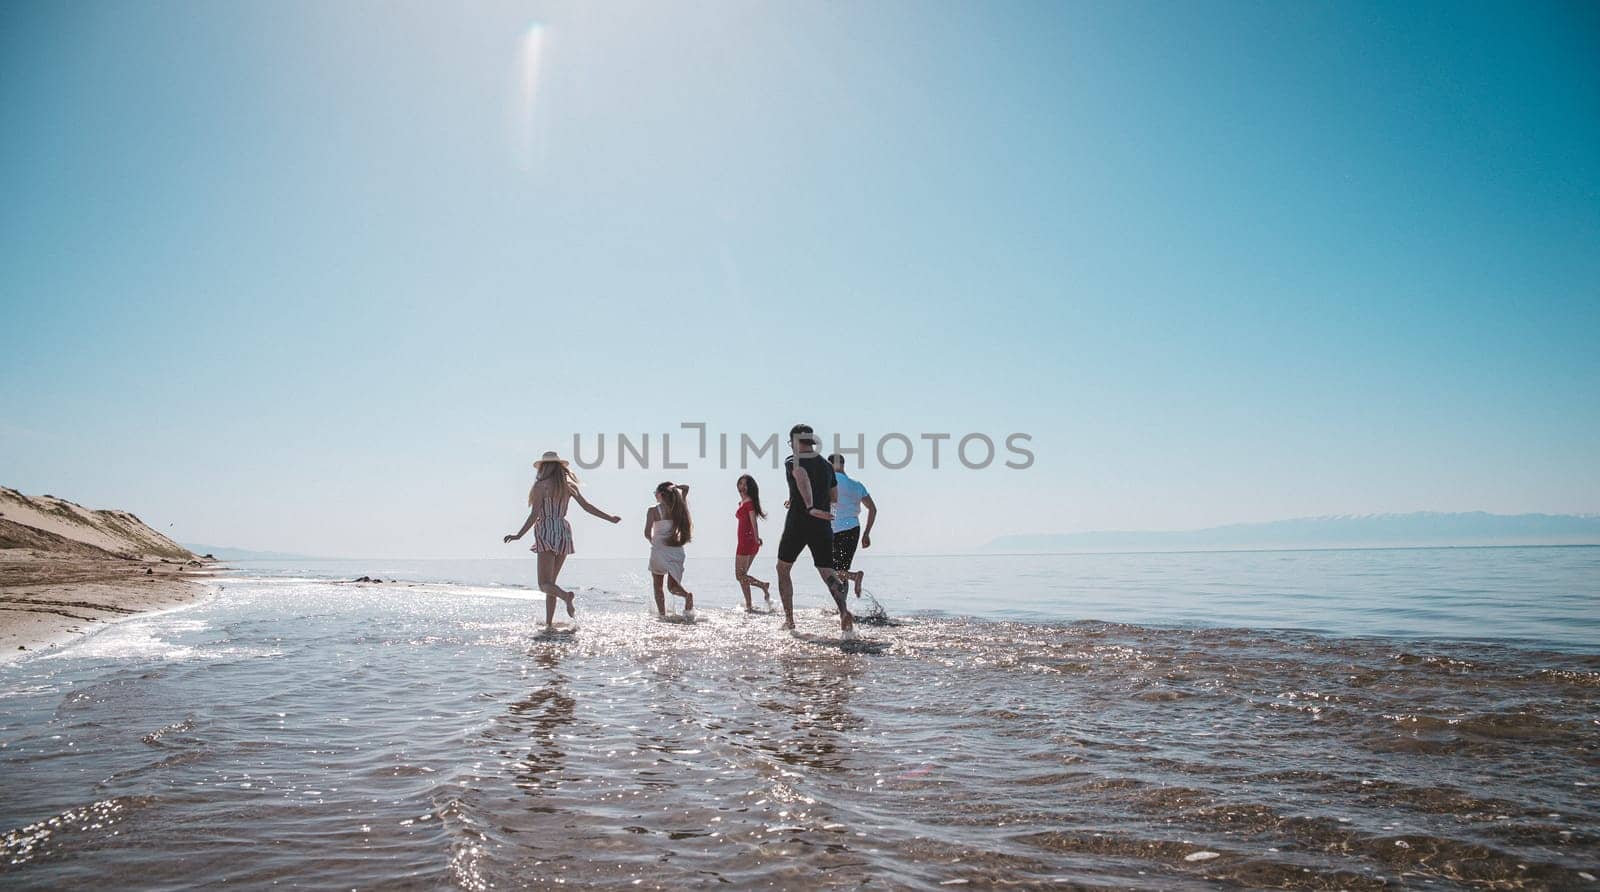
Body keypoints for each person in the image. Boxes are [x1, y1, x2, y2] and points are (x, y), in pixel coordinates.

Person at [504, 451, 621, 630]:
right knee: (551, 583)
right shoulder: (568, 486)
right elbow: (587, 507)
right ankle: (549, 624)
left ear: (544, 467)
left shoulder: (541, 486)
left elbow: (534, 514)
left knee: (544, 585)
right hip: (563, 530)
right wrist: (610, 518)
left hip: (546, 529)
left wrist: (518, 535)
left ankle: (566, 597)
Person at [775, 423, 855, 638]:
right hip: (822, 525)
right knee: (827, 572)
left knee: (783, 569)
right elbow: (834, 498)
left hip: (799, 523)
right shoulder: (827, 466)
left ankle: (790, 621)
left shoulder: (793, 460)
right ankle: (844, 612)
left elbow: (801, 476)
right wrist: (798, 500)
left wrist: (809, 506)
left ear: (794, 442)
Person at [828, 453, 877, 595]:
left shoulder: (829, 481)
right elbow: (872, 509)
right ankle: (843, 608)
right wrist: (866, 534)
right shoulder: (857, 485)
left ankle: (854, 577)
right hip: (853, 530)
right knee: (842, 569)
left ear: (830, 465)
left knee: (829, 570)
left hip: (835, 530)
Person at [644, 482, 695, 620]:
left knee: (658, 585)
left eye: (655, 492)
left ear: (661, 494)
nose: (655, 495)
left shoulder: (653, 510)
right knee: (672, 587)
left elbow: (647, 533)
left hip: (659, 550)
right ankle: (686, 595)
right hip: (676, 550)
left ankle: (662, 615)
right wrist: (681, 490)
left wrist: (654, 542)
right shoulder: (678, 509)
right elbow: (686, 489)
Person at [733, 474, 773, 611]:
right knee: (743, 575)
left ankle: (762, 585)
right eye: (740, 484)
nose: (742, 487)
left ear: (750, 488)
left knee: (740, 575)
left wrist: (756, 538)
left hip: (747, 541)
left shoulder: (749, 502)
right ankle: (749, 606)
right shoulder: (742, 502)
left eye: (745, 485)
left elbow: (753, 521)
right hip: (746, 540)